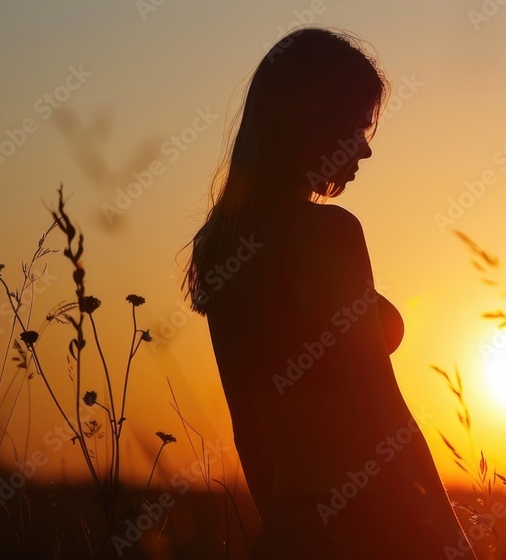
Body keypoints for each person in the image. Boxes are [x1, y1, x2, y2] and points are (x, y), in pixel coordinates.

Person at [182, 27, 476, 559]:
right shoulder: (327, 234)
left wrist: (287, 530)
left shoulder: (221, 248)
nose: (364, 147)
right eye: (355, 125)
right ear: (308, 123)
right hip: (379, 526)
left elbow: (249, 423)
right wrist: (452, 544)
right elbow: (385, 413)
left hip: (290, 535)